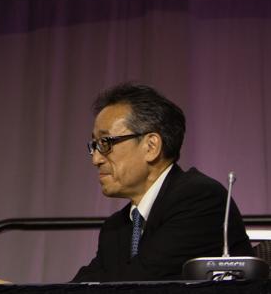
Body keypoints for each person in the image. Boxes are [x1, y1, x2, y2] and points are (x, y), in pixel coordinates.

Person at [72, 83, 253, 281]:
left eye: (106, 143)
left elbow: (140, 284)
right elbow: (80, 290)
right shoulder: (116, 227)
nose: (96, 159)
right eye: (94, 145)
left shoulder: (200, 199)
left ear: (151, 146)